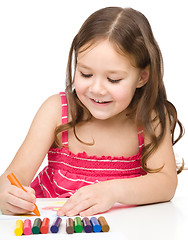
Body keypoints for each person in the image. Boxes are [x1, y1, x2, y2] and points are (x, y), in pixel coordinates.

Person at [0, 7, 184, 217]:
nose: (96, 89)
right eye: (85, 74)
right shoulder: (56, 111)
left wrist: (112, 191)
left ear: (142, 77)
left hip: (125, 230)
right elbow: (15, 175)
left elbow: (166, 183)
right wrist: (6, 193)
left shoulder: (149, 118)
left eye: (113, 79)